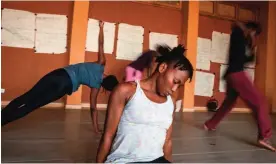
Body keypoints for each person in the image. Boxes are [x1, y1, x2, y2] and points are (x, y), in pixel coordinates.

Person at [1, 21, 119, 134]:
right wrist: (96, 128)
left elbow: (101, 44)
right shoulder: (96, 87)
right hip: (64, 86)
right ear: (106, 87)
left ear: (110, 76)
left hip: (59, 74)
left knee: (27, 96)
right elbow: (93, 108)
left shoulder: (101, 63)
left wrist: (101, 28)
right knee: (31, 105)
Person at [96, 44, 194, 163]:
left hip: (156, 160)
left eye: (179, 85)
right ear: (162, 68)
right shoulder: (126, 91)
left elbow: (167, 141)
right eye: (175, 81)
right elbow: (108, 135)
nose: (174, 88)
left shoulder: (170, 101)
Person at [203, 21, 275, 151]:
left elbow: (248, 60)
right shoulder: (238, 33)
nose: (254, 36)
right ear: (251, 29)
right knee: (261, 102)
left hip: (231, 74)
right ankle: (264, 137)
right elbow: (235, 24)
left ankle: (210, 124)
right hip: (237, 75)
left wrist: (252, 47)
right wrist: (247, 32)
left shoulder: (242, 40)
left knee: (229, 103)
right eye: (255, 33)